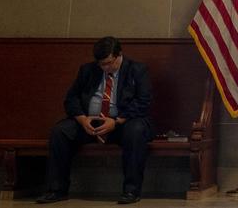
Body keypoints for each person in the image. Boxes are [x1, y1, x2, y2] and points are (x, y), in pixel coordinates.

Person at [37, 36, 153, 205]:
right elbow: (71, 98)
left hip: (122, 123)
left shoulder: (137, 70)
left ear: (119, 54)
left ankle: (131, 191)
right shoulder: (88, 70)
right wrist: (82, 119)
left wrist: (116, 121)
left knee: (136, 131)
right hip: (90, 123)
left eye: (109, 63)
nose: (105, 68)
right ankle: (56, 190)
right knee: (60, 131)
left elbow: (143, 101)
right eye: (101, 64)